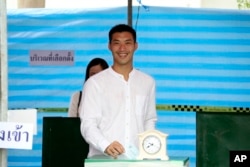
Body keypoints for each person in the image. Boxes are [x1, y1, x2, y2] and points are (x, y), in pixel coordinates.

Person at [79, 24, 157, 159]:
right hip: (103, 161)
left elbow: (149, 120)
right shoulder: (94, 83)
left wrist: (149, 153)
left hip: (137, 161)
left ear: (135, 46)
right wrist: (106, 145)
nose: (122, 48)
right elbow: (88, 124)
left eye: (127, 43)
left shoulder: (147, 82)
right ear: (109, 46)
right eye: (117, 43)